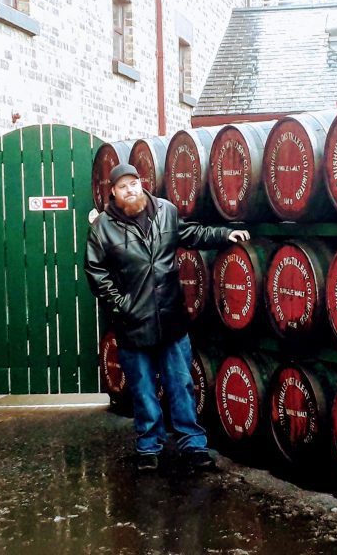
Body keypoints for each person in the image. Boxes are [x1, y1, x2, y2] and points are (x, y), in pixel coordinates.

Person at [85, 162, 250, 471]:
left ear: (141, 183)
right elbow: (96, 272)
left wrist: (226, 235)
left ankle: (193, 444)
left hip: (171, 318)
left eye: (133, 183)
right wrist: (122, 306)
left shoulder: (166, 211)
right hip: (133, 325)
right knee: (143, 389)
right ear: (114, 193)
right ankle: (149, 445)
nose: (130, 189)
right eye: (122, 186)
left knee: (181, 384)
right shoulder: (103, 227)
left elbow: (193, 233)